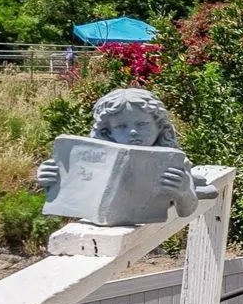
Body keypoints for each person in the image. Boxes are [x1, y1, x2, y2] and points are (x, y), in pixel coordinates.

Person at [37, 88, 212, 219]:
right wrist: (52, 179)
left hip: (145, 222)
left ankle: (197, 181)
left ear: (159, 126)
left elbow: (187, 210)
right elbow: (72, 195)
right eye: (121, 126)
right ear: (108, 132)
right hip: (108, 224)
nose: (133, 132)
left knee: (193, 182)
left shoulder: (172, 159)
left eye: (142, 124)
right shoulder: (93, 160)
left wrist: (183, 192)